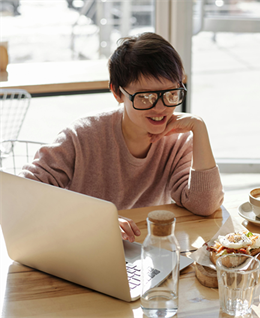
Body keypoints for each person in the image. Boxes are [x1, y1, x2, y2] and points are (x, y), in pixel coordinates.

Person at [20, 32, 224, 243]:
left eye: (171, 93)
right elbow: (24, 191)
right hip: (84, 245)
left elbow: (205, 205)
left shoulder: (178, 141)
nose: (161, 108)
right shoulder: (82, 135)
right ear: (117, 93)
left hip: (145, 250)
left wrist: (199, 128)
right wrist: (97, 220)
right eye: (145, 97)